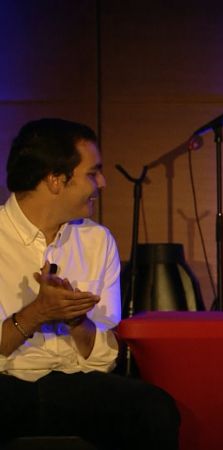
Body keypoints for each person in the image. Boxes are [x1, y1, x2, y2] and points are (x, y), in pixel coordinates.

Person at [0, 118, 180, 449]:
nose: (103, 182)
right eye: (93, 173)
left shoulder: (97, 241)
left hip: (74, 384)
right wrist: (37, 313)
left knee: (155, 410)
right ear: (56, 180)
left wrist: (75, 319)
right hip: (5, 383)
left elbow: (104, 358)